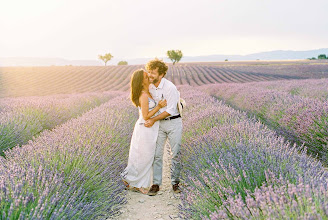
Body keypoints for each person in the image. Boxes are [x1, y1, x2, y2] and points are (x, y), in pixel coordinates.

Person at [121, 69, 167, 194]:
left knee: (147, 156)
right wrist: (159, 107)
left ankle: (134, 181)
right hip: (144, 128)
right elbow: (146, 116)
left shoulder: (150, 91)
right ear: (142, 82)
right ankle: (136, 183)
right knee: (142, 156)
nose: (150, 78)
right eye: (147, 77)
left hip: (151, 128)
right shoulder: (143, 95)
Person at [144, 58, 183, 196]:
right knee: (156, 154)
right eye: (149, 71)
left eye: (153, 73)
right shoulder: (149, 86)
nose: (150, 75)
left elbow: (170, 110)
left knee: (175, 153)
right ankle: (156, 184)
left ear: (161, 74)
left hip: (173, 122)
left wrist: (153, 119)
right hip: (159, 124)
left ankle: (175, 183)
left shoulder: (169, 88)